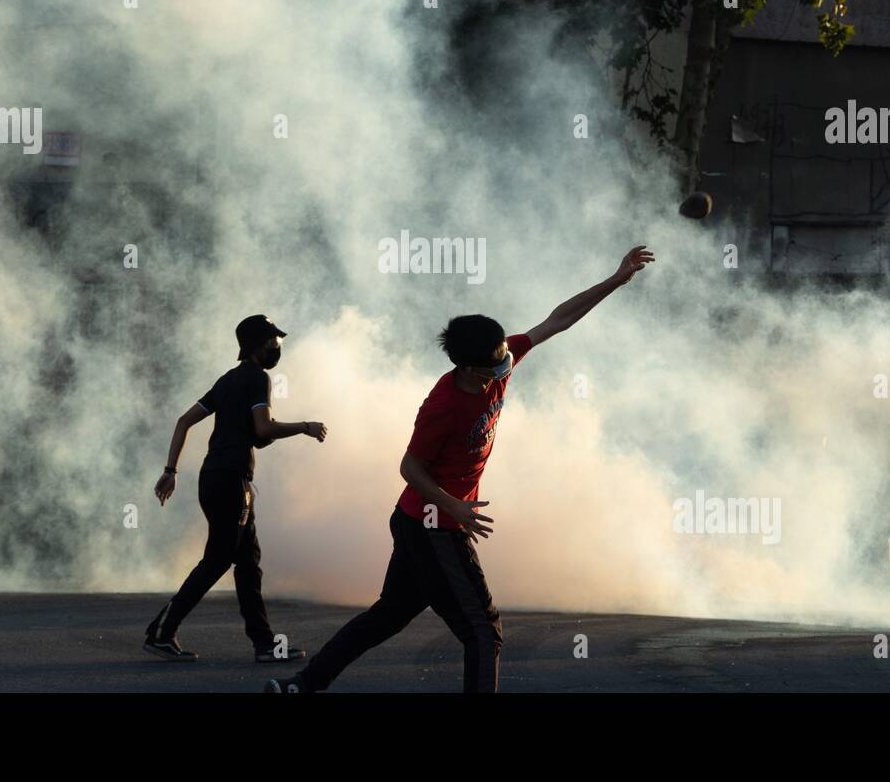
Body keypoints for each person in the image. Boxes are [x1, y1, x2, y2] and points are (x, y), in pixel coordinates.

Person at [265, 246, 654, 692]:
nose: (508, 360)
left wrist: (615, 279)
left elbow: (556, 320)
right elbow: (409, 467)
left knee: (389, 615)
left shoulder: (499, 364)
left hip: (421, 523)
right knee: (483, 633)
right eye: (498, 359)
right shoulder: (443, 405)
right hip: (434, 527)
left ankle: (300, 686)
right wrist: (455, 507)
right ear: (470, 367)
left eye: (507, 350)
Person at [145, 315, 327, 662]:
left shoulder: (228, 380)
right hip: (231, 482)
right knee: (219, 560)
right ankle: (160, 631)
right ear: (259, 345)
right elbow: (263, 428)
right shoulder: (258, 378)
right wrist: (304, 426)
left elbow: (184, 421)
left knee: (247, 563)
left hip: (214, 477)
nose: (277, 347)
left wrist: (171, 470)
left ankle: (264, 645)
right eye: (274, 340)